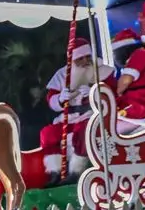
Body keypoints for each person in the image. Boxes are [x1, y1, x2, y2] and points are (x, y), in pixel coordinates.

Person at [39, 28, 111, 181]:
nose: (85, 61)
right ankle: (56, 171)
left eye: (87, 57)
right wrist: (60, 98)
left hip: (91, 115)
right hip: (69, 118)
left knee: (83, 132)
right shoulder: (62, 75)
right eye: (80, 58)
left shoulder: (101, 71)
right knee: (48, 133)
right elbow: (51, 99)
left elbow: (112, 94)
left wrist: (94, 92)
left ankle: (76, 171)